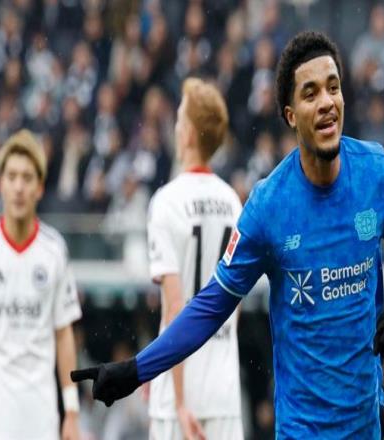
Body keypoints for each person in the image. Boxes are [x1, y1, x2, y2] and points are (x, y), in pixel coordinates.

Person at [71, 31, 384, 438]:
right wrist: (136, 370)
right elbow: (210, 306)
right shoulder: (268, 205)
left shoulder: (375, 172)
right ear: (290, 115)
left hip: (365, 427)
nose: (327, 102)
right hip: (300, 430)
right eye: (311, 93)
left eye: (333, 88)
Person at [0, 129, 82, 440]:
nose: (19, 187)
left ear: (40, 187)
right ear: (0, 184)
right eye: (11, 177)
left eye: (27, 178)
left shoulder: (54, 250)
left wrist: (72, 412)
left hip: (41, 417)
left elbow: (64, 334)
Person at [146, 78, 243, 439]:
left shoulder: (166, 202)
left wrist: (180, 400)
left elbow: (175, 311)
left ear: (187, 134)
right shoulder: (233, 202)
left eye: (178, 119)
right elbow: (235, 307)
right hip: (223, 393)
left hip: (179, 398)